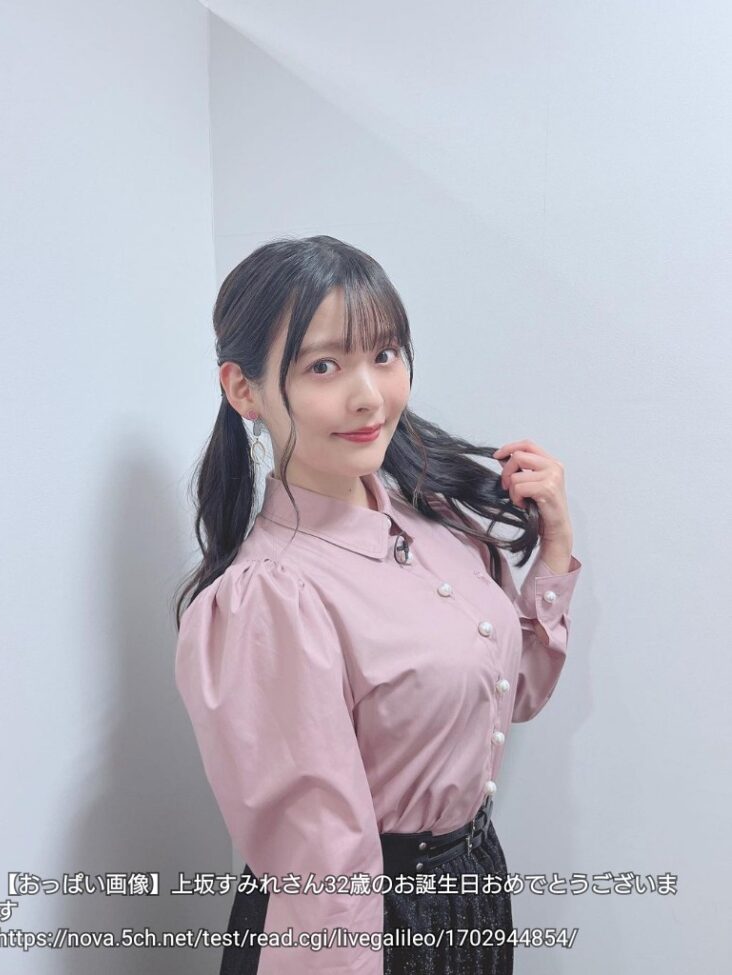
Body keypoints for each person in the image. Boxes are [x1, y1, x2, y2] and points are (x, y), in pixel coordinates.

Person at [173, 235, 582, 975]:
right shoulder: (273, 597)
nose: (368, 396)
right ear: (244, 390)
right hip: (364, 931)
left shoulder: (436, 523)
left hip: (469, 898)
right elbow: (325, 871)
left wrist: (553, 552)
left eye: (385, 355)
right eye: (323, 366)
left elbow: (509, 694)